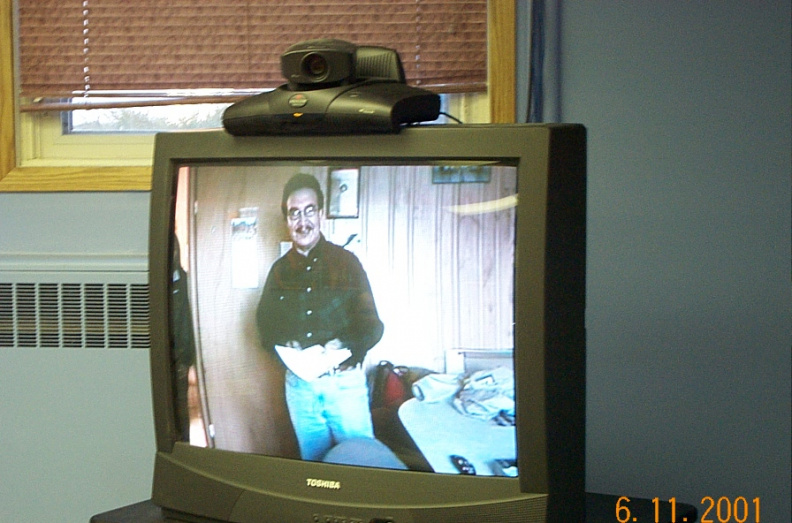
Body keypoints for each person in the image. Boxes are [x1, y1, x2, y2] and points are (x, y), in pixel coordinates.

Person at [256, 173, 384, 461]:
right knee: (314, 470)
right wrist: (284, 342)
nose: (303, 221)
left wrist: (340, 344)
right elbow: (264, 325)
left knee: (362, 465)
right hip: (300, 390)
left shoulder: (347, 263)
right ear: (287, 220)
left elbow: (372, 325)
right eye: (294, 213)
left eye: (309, 210)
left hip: (345, 386)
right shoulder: (278, 272)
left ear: (322, 214)